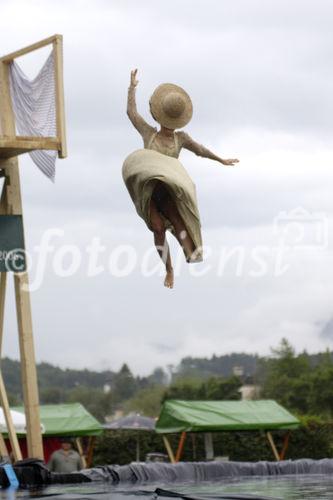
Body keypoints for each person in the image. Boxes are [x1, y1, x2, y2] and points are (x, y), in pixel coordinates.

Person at [123, 69, 239, 289]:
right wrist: (132, 88)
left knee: (178, 224)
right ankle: (169, 270)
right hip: (148, 191)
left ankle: (189, 249)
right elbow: (132, 114)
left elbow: (199, 150)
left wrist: (220, 159)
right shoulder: (150, 134)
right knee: (157, 228)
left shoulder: (181, 139)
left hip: (168, 191)